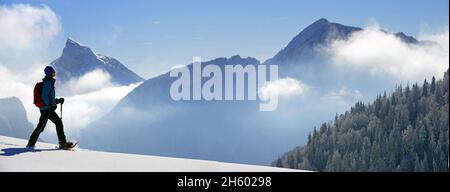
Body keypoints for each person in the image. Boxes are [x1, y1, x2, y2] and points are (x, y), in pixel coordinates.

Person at [27, 66, 74, 149]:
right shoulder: (48, 83)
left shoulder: (49, 82)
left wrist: (58, 101)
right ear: (49, 73)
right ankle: (62, 143)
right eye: (53, 72)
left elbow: (49, 97)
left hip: (46, 108)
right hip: (46, 109)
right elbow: (44, 95)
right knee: (57, 123)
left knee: (41, 126)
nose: (54, 73)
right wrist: (50, 105)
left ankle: (31, 142)